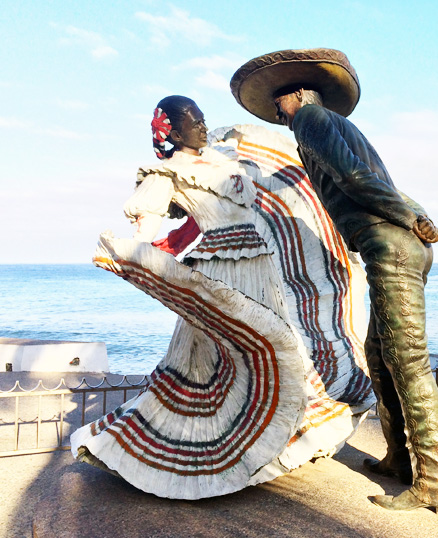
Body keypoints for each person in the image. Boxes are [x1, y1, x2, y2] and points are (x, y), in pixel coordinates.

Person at [71, 95, 371, 499]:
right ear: (174, 133)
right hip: (221, 275)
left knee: (287, 353)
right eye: (193, 122)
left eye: (202, 118)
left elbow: (269, 186)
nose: (201, 125)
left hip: (262, 268)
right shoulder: (165, 173)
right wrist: (133, 256)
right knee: (210, 366)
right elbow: (149, 226)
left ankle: (281, 442)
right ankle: (197, 456)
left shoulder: (225, 157)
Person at [231, 49, 438, 513]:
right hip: (395, 244)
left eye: (281, 103)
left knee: (407, 360)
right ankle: (399, 458)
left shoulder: (312, 120)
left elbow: (354, 177)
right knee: (379, 354)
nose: (278, 111)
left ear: (298, 95)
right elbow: (382, 179)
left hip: (390, 244)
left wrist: (410, 218)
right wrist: (411, 214)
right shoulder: (339, 125)